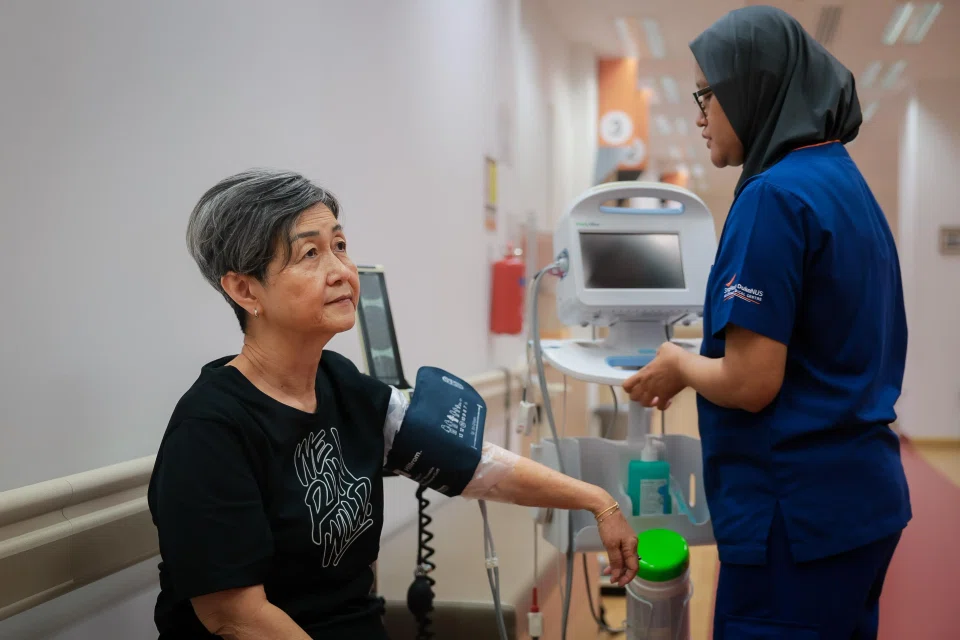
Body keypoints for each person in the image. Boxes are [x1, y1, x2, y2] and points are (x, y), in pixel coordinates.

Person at [147, 168, 639, 640]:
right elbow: (235, 617)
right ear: (244, 289)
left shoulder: (341, 383)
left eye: (340, 246)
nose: (341, 270)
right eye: (310, 254)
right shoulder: (211, 428)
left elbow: (472, 465)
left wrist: (596, 500)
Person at [622, 6, 911, 639]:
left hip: (795, 520)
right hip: (860, 504)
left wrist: (678, 363)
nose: (700, 114)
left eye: (707, 93)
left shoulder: (773, 197)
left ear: (753, 86)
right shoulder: (843, 183)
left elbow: (753, 380)